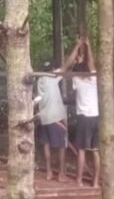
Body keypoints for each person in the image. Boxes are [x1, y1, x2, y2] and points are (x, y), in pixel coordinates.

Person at [35, 40, 82, 182]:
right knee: (62, 145)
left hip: (44, 117)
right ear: (52, 69)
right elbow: (67, 64)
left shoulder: (39, 80)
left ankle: (49, 172)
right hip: (56, 117)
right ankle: (61, 173)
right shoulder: (52, 77)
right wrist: (77, 46)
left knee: (46, 144)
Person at [72, 37, 99, 187]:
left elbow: (75, 68)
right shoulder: (93, 79)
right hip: (95, 117)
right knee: (95, 150)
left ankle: (79, 180)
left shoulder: (77, 81)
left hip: (84, 118)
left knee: (81, 150)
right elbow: (91, 64)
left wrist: (78, 48)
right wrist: (88, 47)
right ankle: (95, 182)